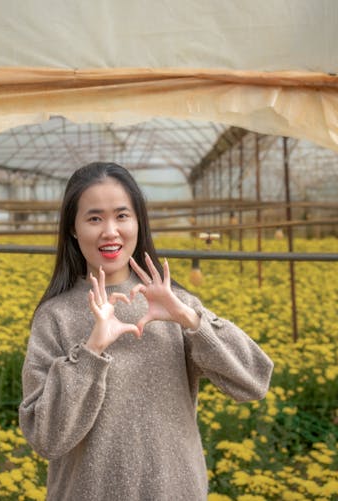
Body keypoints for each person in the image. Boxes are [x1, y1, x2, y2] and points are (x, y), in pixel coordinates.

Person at [18, 162, 273, 500]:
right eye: (94, 218)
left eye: (122, 216)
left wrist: (189, 318)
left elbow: (255, 381)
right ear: (73, 230)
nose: (110, 231)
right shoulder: (55, 317)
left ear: (139, 223)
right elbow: (45, 437)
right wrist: (91, 349)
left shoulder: (174, 306)